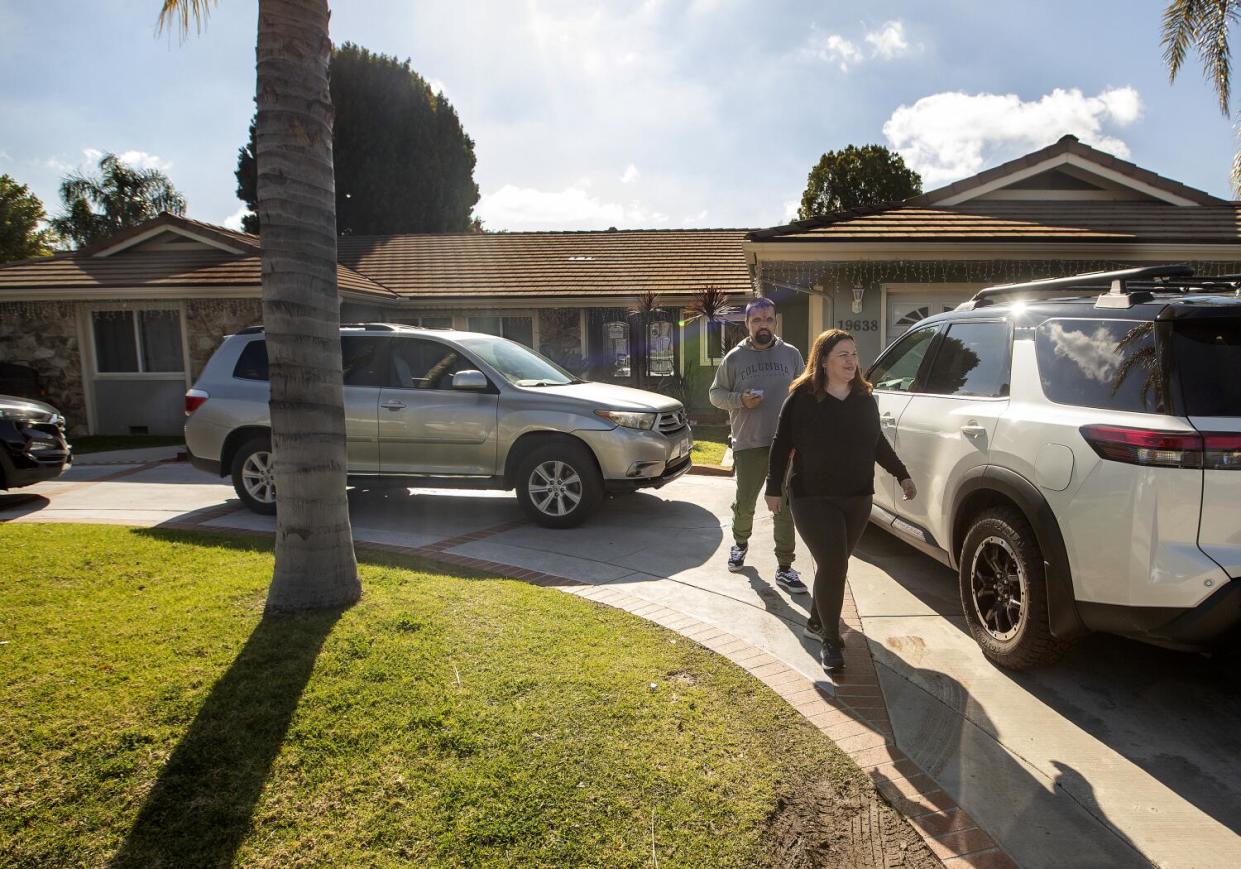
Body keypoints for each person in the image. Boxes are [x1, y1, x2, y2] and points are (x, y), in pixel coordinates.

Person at [765, 329, 916, 672]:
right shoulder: (802, 398)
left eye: (854, 354)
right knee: (834, 564)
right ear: (823, 361)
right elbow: (780, 442)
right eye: (843, 355)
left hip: (858, 496)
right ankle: (831, 641)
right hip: (812, 496)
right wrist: (773, 486)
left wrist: (901, 473)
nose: (852, 361)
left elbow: (876, 441)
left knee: (834, 565)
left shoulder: (864, 397)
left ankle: (817, 620)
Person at [709, 297, 806, 592]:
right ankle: (739, 543)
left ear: (775, 321)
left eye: (768, 319)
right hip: (749, 442)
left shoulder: (790, 354)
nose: (762, 325)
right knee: (746, 502)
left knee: (784, 505)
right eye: (756, 320)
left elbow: (803, 392)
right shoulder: (734, 359)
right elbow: (715, 395)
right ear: (747, 324)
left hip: (786, 444)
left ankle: (785, 566)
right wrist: (740, 400)